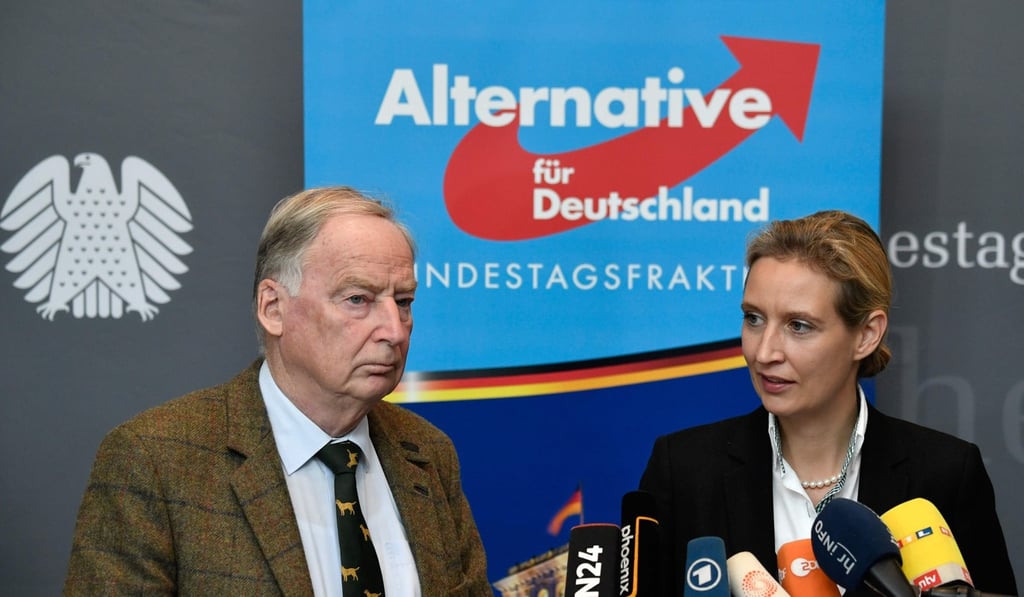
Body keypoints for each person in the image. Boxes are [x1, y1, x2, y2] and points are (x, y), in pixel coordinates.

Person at [64, 186, 491, 596]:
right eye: (358, 299)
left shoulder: (427, 453)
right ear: (273, 308)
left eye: (403, 301)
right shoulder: (157, 461)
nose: (394, 331)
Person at [639, 210, 1017, 595]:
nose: (764, 352)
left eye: (798, 326)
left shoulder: (945, 475)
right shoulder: (683, 470)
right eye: (753, 318)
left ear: (866, 334)